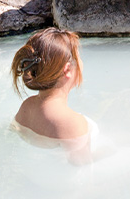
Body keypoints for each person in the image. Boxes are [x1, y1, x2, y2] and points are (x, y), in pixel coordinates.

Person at [10, 27, 95, 165]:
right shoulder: (72, 124)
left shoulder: (27, 106)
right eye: (79, 57)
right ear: (67, 69)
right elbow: (82, 172)